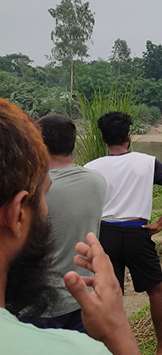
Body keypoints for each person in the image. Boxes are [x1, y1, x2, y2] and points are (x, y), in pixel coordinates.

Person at [0, 98, 140, 355]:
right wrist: (119, 332)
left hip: (34, 307)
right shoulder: (97, 181)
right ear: (18, 213)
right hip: (80, 302)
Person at [85, 111, 162, 355]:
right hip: (137, 231)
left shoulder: (90, 168)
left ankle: (111, 347)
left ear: (103, 139)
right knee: (156, 290)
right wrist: (161, 223)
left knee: (110, 292)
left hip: (105, 233)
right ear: (129, 137)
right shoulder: (148, 162)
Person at [21, 115, 107, 333]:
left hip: (40, 305)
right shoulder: (97, 180)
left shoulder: (35, 190)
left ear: (39, 143)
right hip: (83, 297)